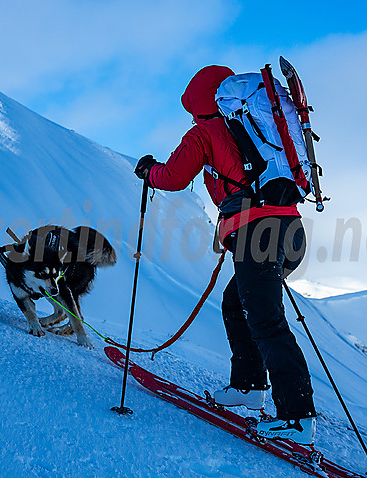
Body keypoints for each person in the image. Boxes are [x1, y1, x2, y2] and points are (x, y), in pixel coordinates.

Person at [133, 65, 316, 444]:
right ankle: (248, 387)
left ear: (197, 104)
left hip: (257, 233)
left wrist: (148, 171)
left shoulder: (205, 132)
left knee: (266, 320)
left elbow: (173, 177)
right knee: (237, 303)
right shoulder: (257, 126)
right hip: (290, 231)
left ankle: (298, 418)